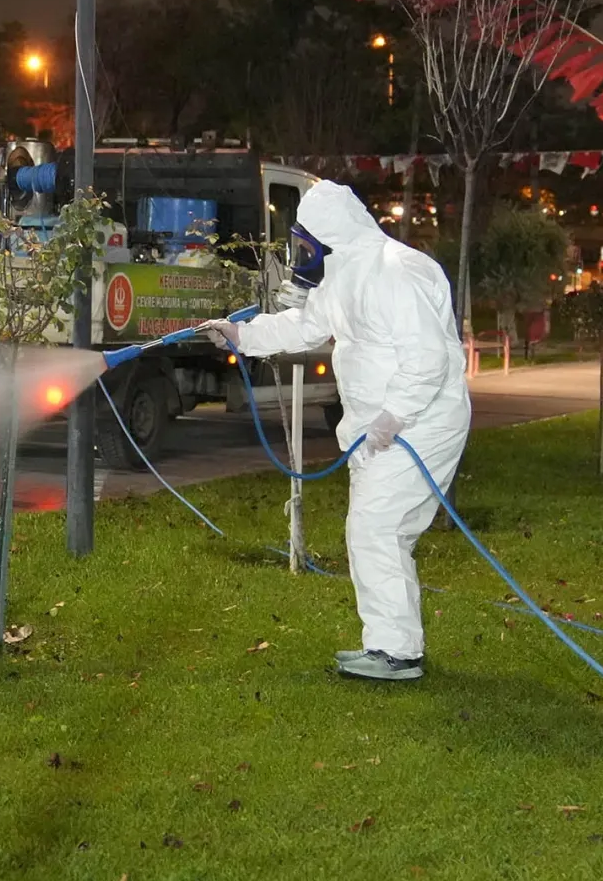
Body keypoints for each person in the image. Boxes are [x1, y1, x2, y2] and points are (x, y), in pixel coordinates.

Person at [199, 181, 470, 682]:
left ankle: (396, 653)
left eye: (305, 245)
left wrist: (394, 417)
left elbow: (428, 359)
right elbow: (304, 325)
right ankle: (390, 647)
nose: (302, 256)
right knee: (375, 531)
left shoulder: (395, 272)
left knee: (377, 528)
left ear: (330, 236)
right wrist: (242, 335)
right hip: (381, 429)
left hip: (421, 423)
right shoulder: (344, 273)